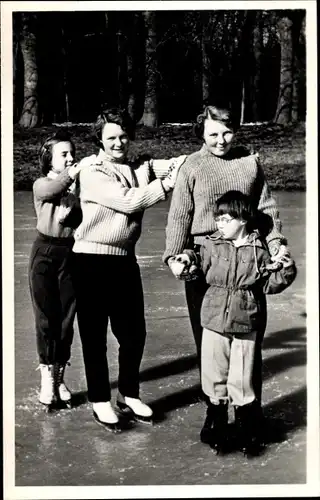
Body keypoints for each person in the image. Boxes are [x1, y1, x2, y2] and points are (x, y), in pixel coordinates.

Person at [163, 103, 291, 439]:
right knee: (211, 345)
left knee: (248, 342)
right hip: (205, 260)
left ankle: (250, 413)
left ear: (236, 129)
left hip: (248, 261)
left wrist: (277, 245)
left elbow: (266, 209)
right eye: (213, 134)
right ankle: (215, 413)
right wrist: (176, 256)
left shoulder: (249, 163)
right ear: (201, 133)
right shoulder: (192, 166)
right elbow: (179, 215)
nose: (221, 140)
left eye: (227, 132)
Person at [71, 107, 187, 432]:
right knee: (95, 337)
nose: (118, 142)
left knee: (133, 334)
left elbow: (180, 164)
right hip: (90, 262)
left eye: (123, 135)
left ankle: (129, 394)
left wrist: (190, 162)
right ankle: (99, 400)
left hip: (124, 260)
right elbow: (129, 202)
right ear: (99, 139)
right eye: (111, 137)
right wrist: (166, 186)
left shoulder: (139, 166)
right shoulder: (92, 172)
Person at [180, 191, 296, 456]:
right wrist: (185, 262)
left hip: (245, 319)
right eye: (217, 218)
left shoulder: (259, 249)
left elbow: (270, 283)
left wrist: (285, 269)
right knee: (213, 372)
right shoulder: (211, 244)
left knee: (242, 377)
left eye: (225, 219)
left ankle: (247, 428)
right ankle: (217, 424)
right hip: (213, 318)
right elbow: (196, 262)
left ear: (242, 219)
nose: (219, 224)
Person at [29, 131, 84, 411]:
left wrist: (75, 204)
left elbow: (80, 219)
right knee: (45, 319)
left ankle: (60, 375)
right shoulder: (42, 184)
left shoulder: (75, 189)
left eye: (72, 152)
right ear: (48, 158)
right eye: (64, 154)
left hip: (70, 254)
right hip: (44, 253)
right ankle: (47, 378)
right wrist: (71, 177)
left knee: (65, 319)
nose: (71, 157)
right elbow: (51, 191)